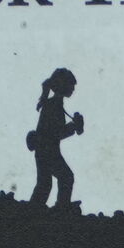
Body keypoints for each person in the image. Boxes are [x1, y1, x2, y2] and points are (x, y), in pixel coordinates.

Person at [27, 68, 83, 210]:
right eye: (71, 85)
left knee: (45, 184)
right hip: (48, 151)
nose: (73, 88)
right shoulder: (54, 106)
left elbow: (56, 133)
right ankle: (61, 209)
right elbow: (55, 133)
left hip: (45, 151)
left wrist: (73, 127)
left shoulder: (53, 105)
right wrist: (73, 127)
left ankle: (35, 210)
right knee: (65, 178)